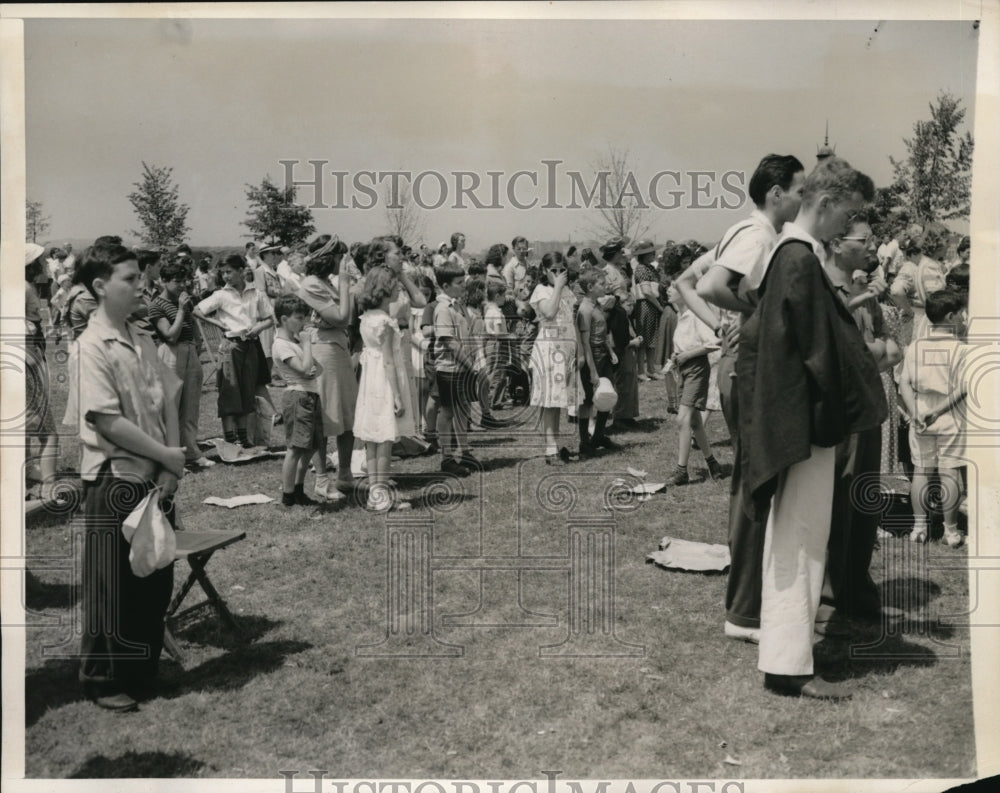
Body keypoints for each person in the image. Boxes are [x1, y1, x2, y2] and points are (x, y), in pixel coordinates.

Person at [737, 157, 883, 700]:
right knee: (798, 543)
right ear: (822, 203)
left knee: (801, 540)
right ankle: (788, 667)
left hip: (800, 422)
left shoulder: (791, 255)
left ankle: (788, 656)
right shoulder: (797, 257)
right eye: (846, 214)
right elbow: (815, 351)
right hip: (803, 427)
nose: (847, 226)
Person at [674, 153, 806, 642]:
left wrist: (722, 324)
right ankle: (745, 610)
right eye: (798, 189)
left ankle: (749, 599)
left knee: (749, 482)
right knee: (755, 484)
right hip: (746, 369)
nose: (802, 198)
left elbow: (684, 283)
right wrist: (756, 313)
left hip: (737, 362)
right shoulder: (757, 236)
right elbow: (708, 285)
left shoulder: (740, 231)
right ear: (776, 193)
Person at [73, 242, 185, 712]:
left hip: (154, 477)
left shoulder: (141, 340)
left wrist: (168, 466)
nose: (141, 285)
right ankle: (102, 678)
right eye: (129, 279)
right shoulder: (90, 347)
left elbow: (167, 400)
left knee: (154, 575)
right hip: (114, 478)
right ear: (100, 287)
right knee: (111, 585)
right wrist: (166, 455)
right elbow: (105, 420)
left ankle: (141, 670)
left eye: (141, 277)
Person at [823, 217, 904, 619]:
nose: (874, 246)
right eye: (865, 239)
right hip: (843, 416)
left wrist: (866, 351)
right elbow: (841, 355)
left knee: (863, 505)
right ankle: (831, 595)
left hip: (869, 409)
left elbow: (892, 352)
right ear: (838, 243)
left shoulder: (866, 294)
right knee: (838, 502)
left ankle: (855, 586)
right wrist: (868, 352)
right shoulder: (825, 291)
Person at [899, 289, 969, 547]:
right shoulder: (961, 349)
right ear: (950, 316)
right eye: (960, 314)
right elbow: (963, 388)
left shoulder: (916, 345)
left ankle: (918, 528)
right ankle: (950, 531)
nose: (963, 319)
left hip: (920, 410)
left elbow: (904, 382)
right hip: (949, 413)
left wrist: (914, 411)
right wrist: (938, 411)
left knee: (922, 469)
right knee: (950, 471)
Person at [295, 235, 357, 499]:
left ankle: (345, 474)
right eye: (340, 257)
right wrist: (345, 285)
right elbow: (342, 318)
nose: (343, 263)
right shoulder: (311, 285)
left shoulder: (326, 283)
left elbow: (346, 318)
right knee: (325, 417)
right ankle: (322, 479)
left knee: (346, 415)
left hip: (338, 350)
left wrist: (345, 288)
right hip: (323, 353)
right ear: (327, 258)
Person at [193, 254, 274, 451]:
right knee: (230, 392)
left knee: (247, 391)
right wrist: (217, 323)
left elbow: (270, 318)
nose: (226, 276)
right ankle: (230, 438)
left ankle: (244, 438)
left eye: (229, 272)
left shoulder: (255, 293)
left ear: (241, 270)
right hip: (231, 346)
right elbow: (197, 310)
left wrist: (258, 329)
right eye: (223, 273)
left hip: (251, 346)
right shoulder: (221, 295)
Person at [354, 266, 414, 511]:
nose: (398, 289)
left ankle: (374, 491)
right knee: (385, 438)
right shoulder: (386, 322)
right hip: (384, 379)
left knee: (372, 438)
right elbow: (388, 360)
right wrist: (397, 395)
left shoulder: (367, 317)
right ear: (385, 289)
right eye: (395, 286)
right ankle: (380, 495)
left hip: (370, 379)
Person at [148, 258, 214, 470]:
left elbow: (192, 326)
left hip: (189, 351)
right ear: (164, 281)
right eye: (177, 281)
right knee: (171, 406)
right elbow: (170, 335)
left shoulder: (184, 302)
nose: (183, 285)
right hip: (170, 353)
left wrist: (196, 343)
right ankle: (171, 454)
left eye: (185, 281)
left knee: (191, 404)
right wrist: (181, 310)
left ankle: (191, 450)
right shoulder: (157, 305)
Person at [272, 295, 325, 507]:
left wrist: (308, 361)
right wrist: (307, 344)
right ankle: (288, 495)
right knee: (295, 447)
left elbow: (317, 368)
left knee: (311, 446)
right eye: (299, 318)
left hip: (310, 394)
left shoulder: (294, 342)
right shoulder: (282, 345)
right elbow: (304, 368)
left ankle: (299, 489)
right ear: (285, 319)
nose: (303, 322)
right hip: (298, 396)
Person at [669, 286, 724, 485]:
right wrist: (677, 356)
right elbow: (684, 343)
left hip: (697, 370)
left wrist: (687, 355)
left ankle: (681, 470)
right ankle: (712, 463)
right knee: (694, 422)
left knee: (682, 419)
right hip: (684, 369)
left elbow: (714, 342)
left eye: (672, 288)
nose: (667, 290)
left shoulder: (694, 315)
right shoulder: (680, 315)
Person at [530, 251, 577, 464]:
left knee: (558, 400)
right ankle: (550, 449)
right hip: (548, 350)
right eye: (554, 271)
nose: (558, 274)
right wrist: (557, 287)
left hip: (565, 350)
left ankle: (555, 444)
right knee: (549, 401)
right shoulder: (541, 290)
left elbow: (571, 321)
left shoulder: (568, 292)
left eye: (562, 270)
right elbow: (549, 313)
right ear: (545, 271)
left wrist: (577, 352)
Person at [25, 244, 61, 504]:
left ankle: (26, 474)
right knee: (48, 431)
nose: (43, 264)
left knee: (23, 428)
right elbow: (35, 329)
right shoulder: (27, 290)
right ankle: (49, 485)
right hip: (29, 361)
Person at [433, 261, 476, 476]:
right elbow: (449, 342)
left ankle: (464, 450)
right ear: (445, 286)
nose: (463, 286)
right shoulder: (443, 309)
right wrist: (471, 365)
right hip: (450, 369)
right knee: (448, 412)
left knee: (463, 409)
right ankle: (446, 457)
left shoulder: (457, 305)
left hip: (462, 368)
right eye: (459, 283)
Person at [575, 268, 619, 456]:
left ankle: (599, 435)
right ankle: (584, 441)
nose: (606, 286)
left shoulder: (596, 305)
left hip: (603, 354)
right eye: (602, 283)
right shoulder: (584, 309)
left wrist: (610, 351)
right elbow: (585, 342)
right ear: (591, 287)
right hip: (592, 355)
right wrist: (592, 370)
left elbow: (602, 331)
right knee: (587, 400)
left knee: (607, 395)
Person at [889, 223, 947, 346]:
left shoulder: (921, 266)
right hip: (920, 317)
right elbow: (896, 290)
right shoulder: (910, 267)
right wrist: (909, 311)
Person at [630, 240, 664, 380]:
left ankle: (651, 369)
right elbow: (647, 292)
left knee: (652, 339)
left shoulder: (651, 268)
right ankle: (641, 371)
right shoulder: (641, 269)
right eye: (650, 253)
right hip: (646, 304)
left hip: (652, 304)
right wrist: (659, 306)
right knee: (644, 339)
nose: (654, 254)